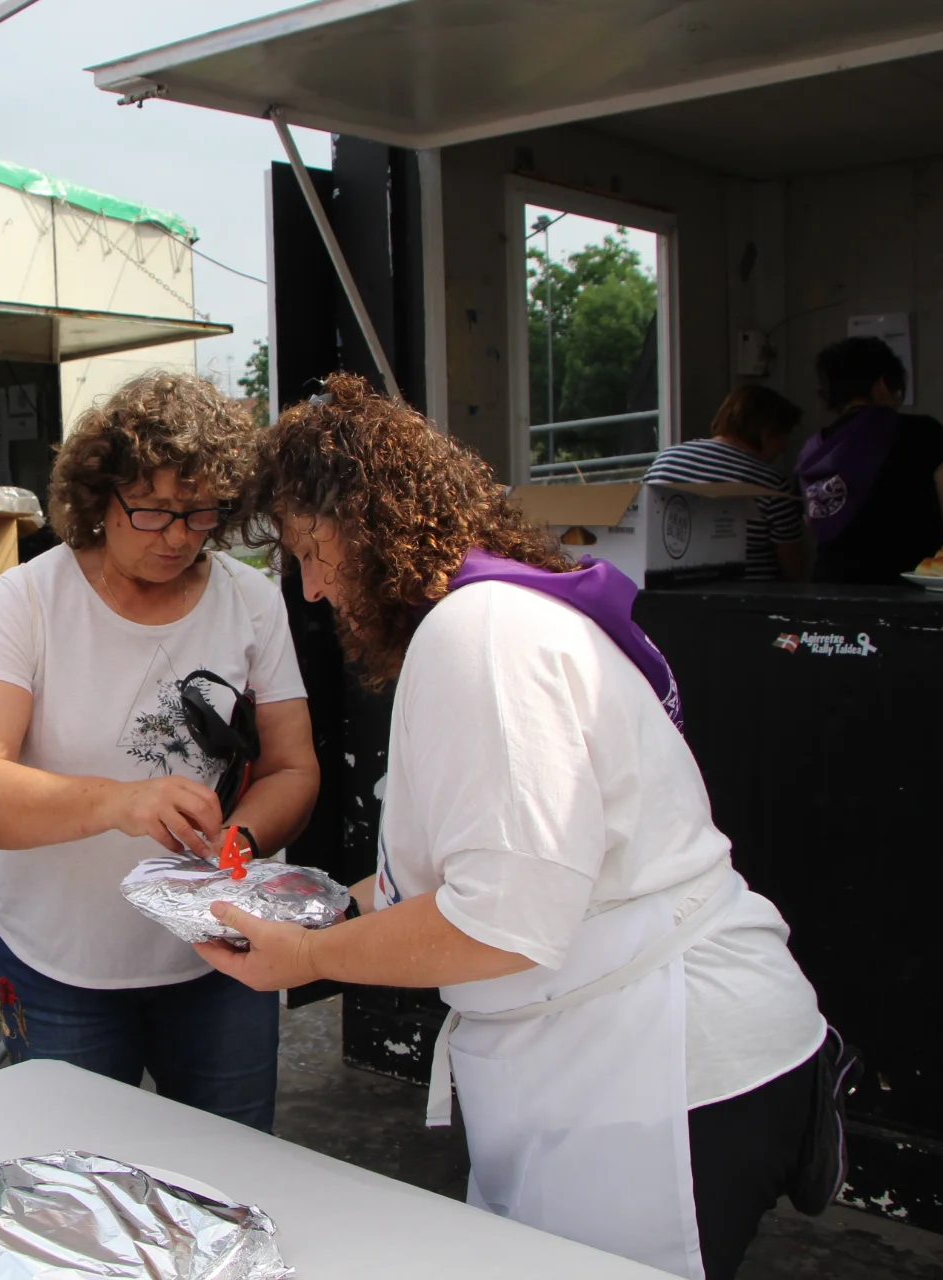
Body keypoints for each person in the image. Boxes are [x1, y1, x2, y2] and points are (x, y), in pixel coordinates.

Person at [202, 373, 835, 1279]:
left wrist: (306, 958)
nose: (310, 588)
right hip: (620, 1060)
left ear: (372, 524)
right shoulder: (497, 617)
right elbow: (475, 865)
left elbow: (503, 918)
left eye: (311, 551)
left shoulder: (484, 635)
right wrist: (317, 907)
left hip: (664, 1069)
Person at [0, 373, 319, 1132]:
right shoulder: (28, 600)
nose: (177, 536)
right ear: (98, 498)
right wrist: (119, 802)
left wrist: (237, 843)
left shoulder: (250, 600)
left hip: (219, 954)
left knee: (233, 1165)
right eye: (151, 510)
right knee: (78, 1173)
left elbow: (292, 768)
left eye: (201, 512)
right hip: (59, 961)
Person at [800, 336, 943, 583]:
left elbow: (815, 524)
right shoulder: (925, 434)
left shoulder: (816, 447)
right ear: (883, 384)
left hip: (829, 590)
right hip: (907, 590)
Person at [643, 386, 811, 581]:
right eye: (783, 438)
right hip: (747, 597)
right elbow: (795, 570)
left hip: (670, 593)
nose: (783, 449)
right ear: (767, 433)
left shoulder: (665, 460)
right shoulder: (771, 485)